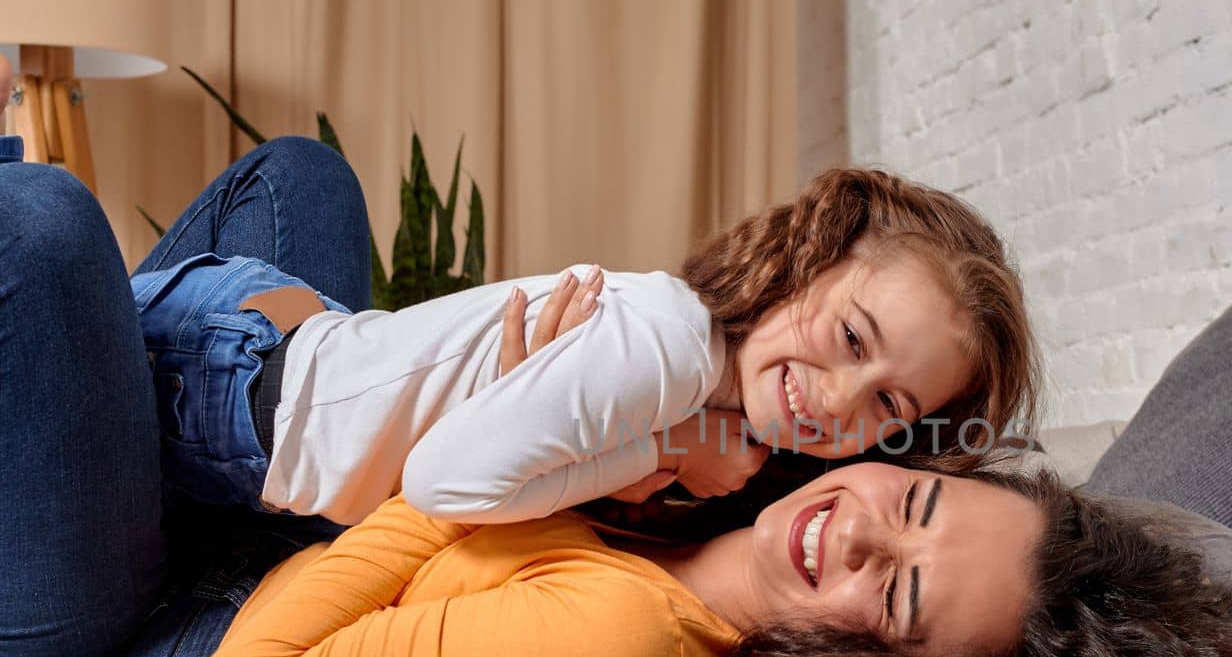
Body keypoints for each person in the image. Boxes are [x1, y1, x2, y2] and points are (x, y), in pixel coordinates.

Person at [0, 149, 1232, 657]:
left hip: (157, 645)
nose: (864, 534)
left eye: (901, 602)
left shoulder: (623, 634)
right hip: (280, 507)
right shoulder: (747, 465)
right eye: (917, 502)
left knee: (47, 231)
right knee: (297, 182)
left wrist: (478, 431)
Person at [131, 138, 1038, 526]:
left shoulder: (709, 380)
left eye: (888, 399)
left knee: (298, 177)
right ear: (808, 257)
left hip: (274, 369)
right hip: (229, 406)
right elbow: (444, 484)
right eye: (849, 335)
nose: (839, 397)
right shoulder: (671, 353)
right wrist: (665, 453)